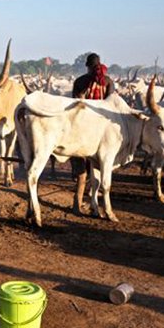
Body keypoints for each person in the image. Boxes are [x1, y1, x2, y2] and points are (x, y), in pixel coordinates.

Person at [70, 53, 114, 214]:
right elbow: (112, 106)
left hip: (82, 129)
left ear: (87, 66)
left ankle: (77, 203)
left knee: (81, 170)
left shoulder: (80, 81)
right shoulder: (108, 82)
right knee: (99, 169)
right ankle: (96, 203)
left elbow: (75, 105)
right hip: (102, 132)